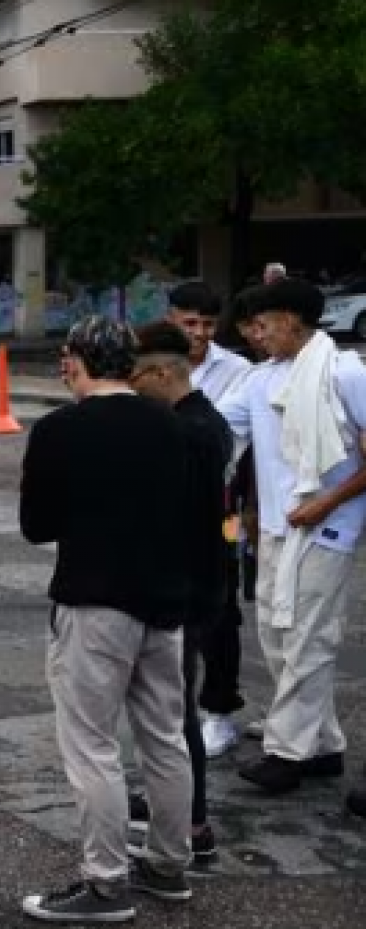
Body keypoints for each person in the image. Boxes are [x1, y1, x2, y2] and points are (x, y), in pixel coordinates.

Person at [19, 316, 197, 922]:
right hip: (164, 601)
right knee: (164, 738)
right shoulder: (172, 424)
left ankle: (105, 884)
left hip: (95, 599)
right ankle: (170, 867)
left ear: (76, 361)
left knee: (92, 745)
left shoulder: (59, 430)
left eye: (65, 359)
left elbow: (37, 525)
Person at [214, 279, 366, 820]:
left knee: (308, 636)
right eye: (250, 327)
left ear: (295, 319)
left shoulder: (343, 372)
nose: (256, 335)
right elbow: (214, 429)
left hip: (328, 526)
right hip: (277, 527)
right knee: (276, 635)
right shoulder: (261, 379)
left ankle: (287, 752)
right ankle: (323, 745)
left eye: (264, 323)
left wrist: (329, 503)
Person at [128, 321, 235, 867]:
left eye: (136, 376)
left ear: (162, 373)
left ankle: (194, 824)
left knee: (175, 710)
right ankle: (168, 802)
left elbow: (182, 520)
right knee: (171, 706)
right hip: (200, 582)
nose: (132, 387)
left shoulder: (191, 430)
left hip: (190, 588)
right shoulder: (198, 421)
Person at [167, 282, 254, 756]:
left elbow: (238, 441)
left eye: (206, 325)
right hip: (165, 505)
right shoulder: (153, 364)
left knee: (220, 608)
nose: (199, 333)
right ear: (172, 319)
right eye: (189, 323)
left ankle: (219, 710)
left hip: (224, 507)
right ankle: (168, 711)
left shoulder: (238, 370)